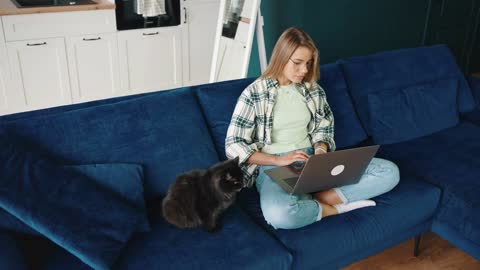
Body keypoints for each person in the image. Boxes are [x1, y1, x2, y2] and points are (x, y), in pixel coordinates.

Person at [225, 27, 400, 230]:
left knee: (389, 171)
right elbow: (234, 145)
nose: (304, 71)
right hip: (274, 166)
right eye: (297, 63)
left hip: (313, 160)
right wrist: (278, 160)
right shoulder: (254, 94)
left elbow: (323, 128)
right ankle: (333, 209)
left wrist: (320, 152)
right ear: (281, 57)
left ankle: (324, 197)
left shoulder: (313, 90)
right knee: (280, 216)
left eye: (308, 63)